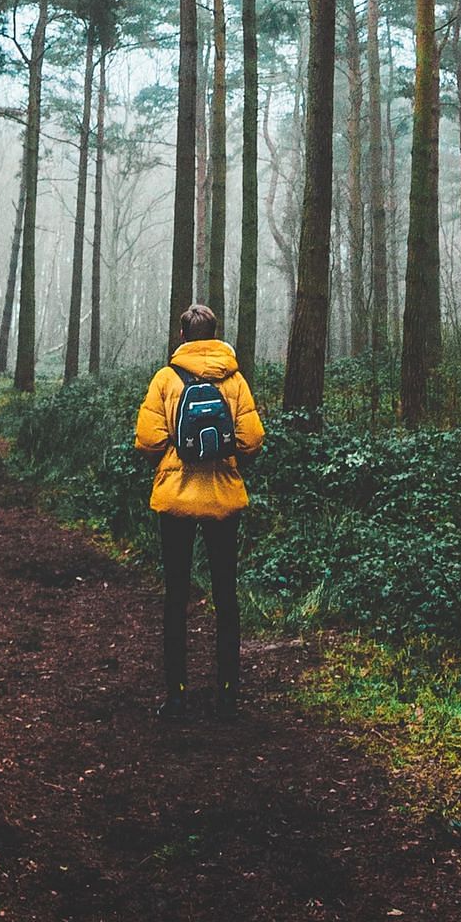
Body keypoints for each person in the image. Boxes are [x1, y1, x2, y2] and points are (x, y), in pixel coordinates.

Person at [134, 304, 265, 719]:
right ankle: (228, 695)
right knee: (226, 598)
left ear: (181, 334)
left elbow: (147, 440)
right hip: (223, 500)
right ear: (215, 334)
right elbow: (251, 440)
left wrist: (174, 455)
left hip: (175, 500)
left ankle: (177, 696)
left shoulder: (165, 379)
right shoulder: (235, 380)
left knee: (176, 597)